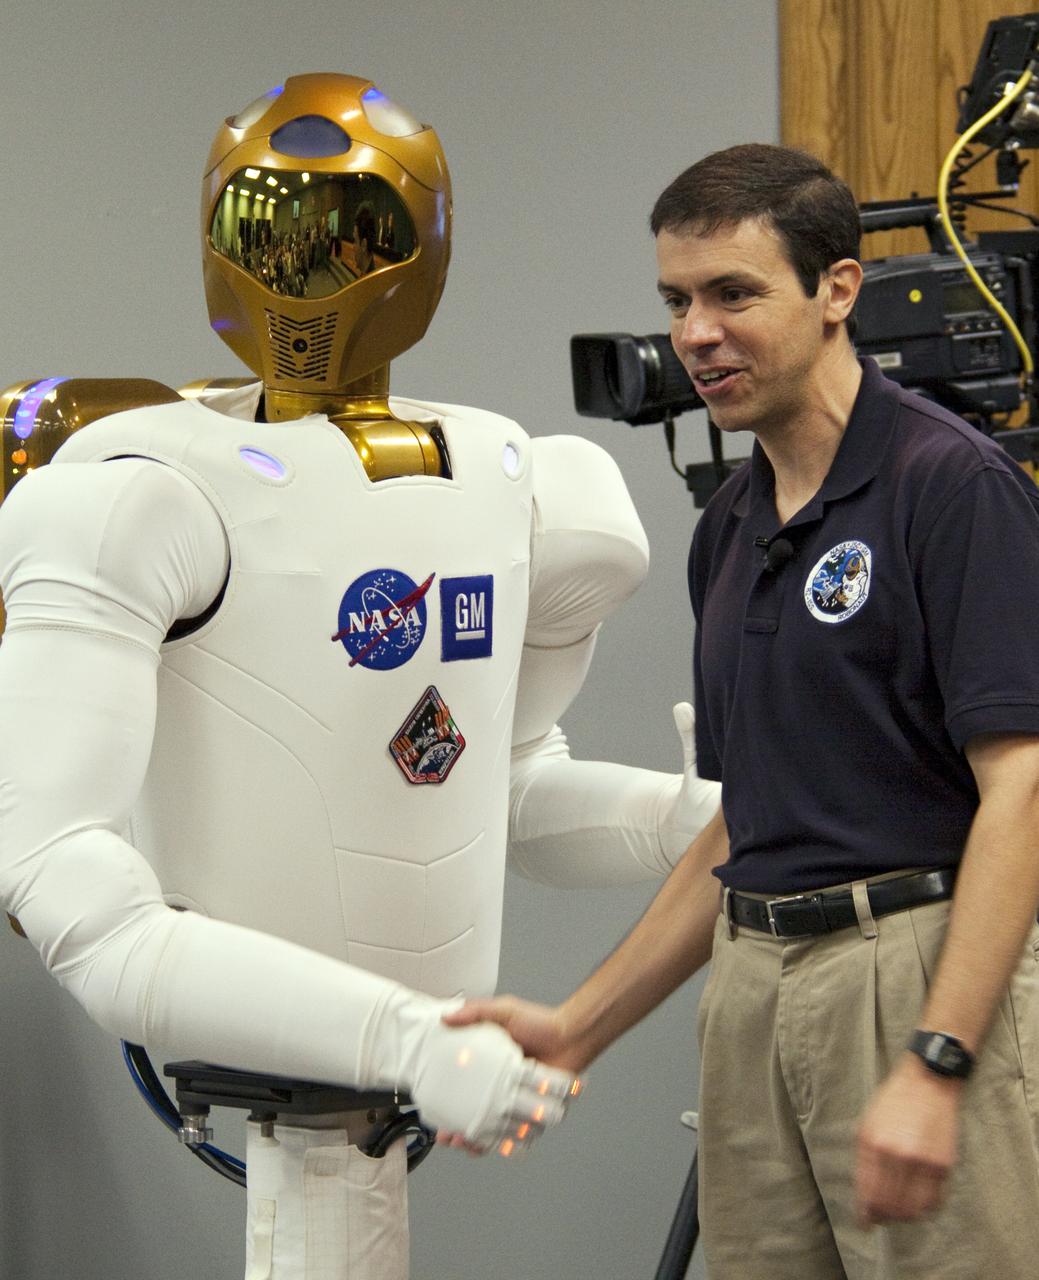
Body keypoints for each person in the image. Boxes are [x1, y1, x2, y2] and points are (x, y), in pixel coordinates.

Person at [0, 75, 720, 1280]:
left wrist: (693, 821)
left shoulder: (520, 478)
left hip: (428, 1024)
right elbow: (59, 878)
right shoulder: (131, 488)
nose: (302, 275)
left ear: (423, 249)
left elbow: (505, 790)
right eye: (263, 234)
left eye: (347, 236)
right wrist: (407, 1041)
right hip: (276, 1020)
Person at [448, 142, 1039, 1279]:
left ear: (836, 291)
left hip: (911, 963)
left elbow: (1022, 785)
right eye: (676, 301)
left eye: (733, 293)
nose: (695, 334)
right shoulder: (728, 525)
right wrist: (580, 1025)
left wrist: (935, 1057)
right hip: (752, 979)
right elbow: (738, 824)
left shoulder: (948, 487)